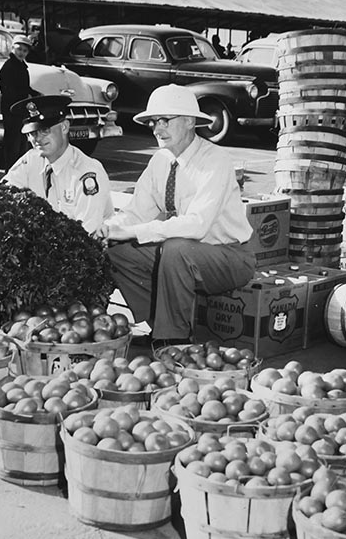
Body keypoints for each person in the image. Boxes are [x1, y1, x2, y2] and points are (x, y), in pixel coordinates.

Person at [98, 84, 255, 344]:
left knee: (176, 249)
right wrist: (106, 228)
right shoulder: (160, 161)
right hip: (185, 255)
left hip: (230, 256)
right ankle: (160, 326)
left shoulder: (215, 160)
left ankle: (173, 341)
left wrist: (132, 231)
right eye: (153, 122)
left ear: (190, 121)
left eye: (165, 121)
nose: (157, 129)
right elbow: (136, 212)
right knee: (118, 252)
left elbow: (197, 227)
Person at [2, 95, 113, 235]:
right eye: (32, 133)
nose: (37, 139)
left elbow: (87, 234)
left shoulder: (87, 173)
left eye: (45, 130)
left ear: (64, 127)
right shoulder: (30, 161)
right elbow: (3, 196)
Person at [0, 34, 38, 169]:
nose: (21, 53)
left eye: (25, 51)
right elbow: (8, 91)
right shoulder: (8, 67)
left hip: (21, 110)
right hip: (12, 110)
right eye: (19, 49)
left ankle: (20, 172)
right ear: (12, 48)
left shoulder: (22, 67)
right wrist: (24, 100)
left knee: (22, 143)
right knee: (12, 144)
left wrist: (35, 94)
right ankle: (10, 172)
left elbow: (24, 87)